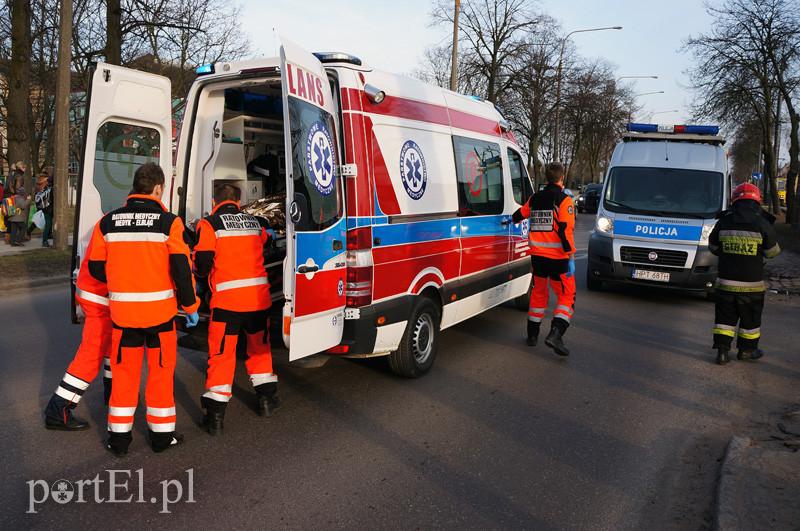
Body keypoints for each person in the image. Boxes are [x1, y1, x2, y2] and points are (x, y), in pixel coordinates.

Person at [87, 162, 199, 456]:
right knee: (161, 376)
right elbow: (181, 271)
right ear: (158, 188)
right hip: (160, 317)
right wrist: (190, 306)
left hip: (124, 317)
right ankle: (162, 438)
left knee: (124, 378)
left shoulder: (108, 222)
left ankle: (119, 441)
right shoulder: (169, 223)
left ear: (135, 187)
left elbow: (96, 268)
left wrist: (124, 279)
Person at [193, 182, 279, 435]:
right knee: (259, 351)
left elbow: (203, 262)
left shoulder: (209, 224)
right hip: (258, 301)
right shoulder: (254, 223)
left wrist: (199, 278)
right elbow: (267, 239)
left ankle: (216, 417)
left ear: (213, 202)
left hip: (227, 305)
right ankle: (266, 400)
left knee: (222, 356)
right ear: (239, 203)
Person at [43, 236, 112, 430]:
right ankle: (58, 410)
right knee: (91, 354)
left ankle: (112, 393)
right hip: (101, 297)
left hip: (94, 292)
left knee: (112, 347)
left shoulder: (110, 221)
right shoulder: (151, 222)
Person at [709, 183, 780, 365]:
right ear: (757, 201)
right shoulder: (762, 223)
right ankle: (746, 351)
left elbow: (713, 247)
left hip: (725, 283)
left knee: (724, 319)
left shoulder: (723, 221)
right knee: (750, 319)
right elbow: (773, 252)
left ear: (735, 200)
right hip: (752, 286)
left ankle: (723, 353)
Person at [512, 162, 577, 356]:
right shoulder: (564, 201)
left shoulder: (535, 198)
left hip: (538, 258)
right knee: (567, 296)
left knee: (539, 294)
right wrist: (571, 256)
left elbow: (518, 215)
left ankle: (532, 336)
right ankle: (556, 334)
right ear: (561, 178)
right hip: (558, 259)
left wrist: (507, 219)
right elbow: (566, 231)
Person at [9, 177, 30, 246]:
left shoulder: (13, 197)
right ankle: (18, 240)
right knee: (24, 227)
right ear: (22, 193)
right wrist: (28, 200)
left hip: (12, 216)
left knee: (13, 230)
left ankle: (12, 242)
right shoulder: (20, 198)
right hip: (18, 217)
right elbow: (23, 206)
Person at [33, 174, 54, 247]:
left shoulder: (40, 188)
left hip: (42, 208)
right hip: (47, 209)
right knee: (48, 224)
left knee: (48, 223)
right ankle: (44, 241)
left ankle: (47, 236)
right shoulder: (49, 188)